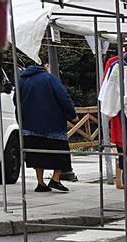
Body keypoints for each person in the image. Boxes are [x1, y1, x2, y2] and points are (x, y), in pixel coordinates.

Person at [17, 61, 77, 192]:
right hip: (52, 124)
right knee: (61, 152)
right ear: (45, 65)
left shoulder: (22, 79)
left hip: (29, 126)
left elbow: (16, 100)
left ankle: (40, 182)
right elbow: (63, 97)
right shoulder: (49, 78)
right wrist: (72, 115)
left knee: (37, 154)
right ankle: (55, 179)